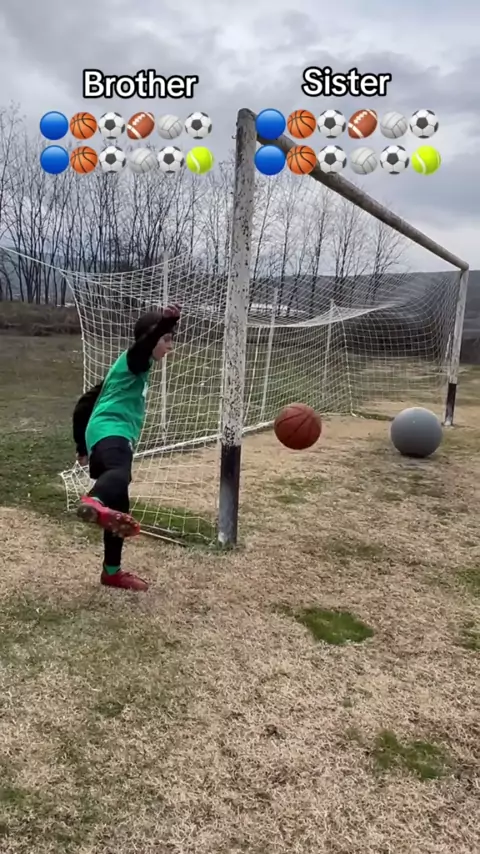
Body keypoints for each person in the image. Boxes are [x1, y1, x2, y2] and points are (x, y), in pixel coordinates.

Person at [72, 305, 181, 591]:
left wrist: (82, 446)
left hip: (101, 434)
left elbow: (85, 403)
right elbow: (142, 348)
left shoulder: (122, 369)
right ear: (150, 338)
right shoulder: (135, 361)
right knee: (121, 473)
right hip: (112, 430)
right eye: (166, 339)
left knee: (119, 508)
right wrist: (163, 324)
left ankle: (111, 572)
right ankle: (92, 501)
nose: (170, 345)